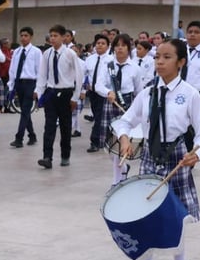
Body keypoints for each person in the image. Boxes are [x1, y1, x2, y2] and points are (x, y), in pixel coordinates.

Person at [116, 38, 200, 260]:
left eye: (167, 57)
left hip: (177, 158)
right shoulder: (146, 94)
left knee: (175, 217)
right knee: (146, 215)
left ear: (180, 62)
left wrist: (197, 154)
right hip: (150, 155)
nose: (159, 61)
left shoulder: (189, 94)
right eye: (157, 56)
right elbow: (124, 121)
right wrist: (125, 138)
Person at [34, 24, 84, 169]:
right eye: (51, 35)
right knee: (49, 126)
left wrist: (75, 97)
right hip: (51, 92)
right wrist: (39, 92)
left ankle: (65, 155)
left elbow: (78, 76)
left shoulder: (70, 54)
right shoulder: (47, 54)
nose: (53, 38)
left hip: (66, 92)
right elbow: (42, 74)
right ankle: (47, 157)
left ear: (63, 37)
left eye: (56, 36)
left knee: (65, 126)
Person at [95, 33, 142, 185]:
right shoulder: (107, 65)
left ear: (129, 48)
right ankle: (124, 169)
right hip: (111, 103)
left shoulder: (135, 67)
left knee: (119, 146)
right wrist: (107, 92)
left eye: (123, 45)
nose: (120, 48)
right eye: (117, 45)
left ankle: (117, 181)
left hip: (127, 106)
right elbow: (98, 85)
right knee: (109, 146)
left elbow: (139, 91)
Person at [8, 26, 42, 148]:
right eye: (21, 35)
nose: (23, 38)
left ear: (31, 37)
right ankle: (32, 135)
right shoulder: (16, 51)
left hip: (30, 83)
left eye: (26, 35)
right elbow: (12, 69)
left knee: (25, 111)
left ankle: (19, 138)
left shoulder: (36, 52)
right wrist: (11, 86)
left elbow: (40, 71)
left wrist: (38, 89)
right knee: (24, 111)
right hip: (19, 83)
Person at [85, 33, 113, 152]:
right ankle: (104, 137)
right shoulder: (90, 59)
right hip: (93, 92)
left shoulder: (111, 59)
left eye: (103, 44)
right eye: (98, 43)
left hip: (105, 93)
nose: (100, 45)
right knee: (97, 116)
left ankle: (95, 141)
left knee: (100, 116)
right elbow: (85, 74)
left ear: (108, 46)